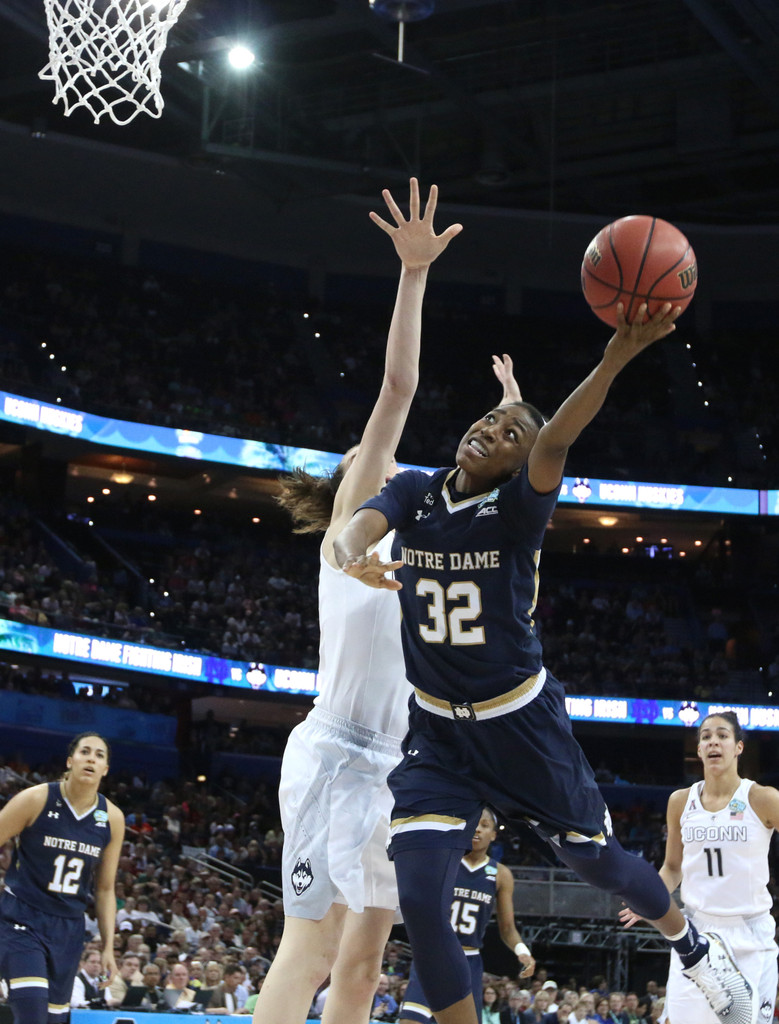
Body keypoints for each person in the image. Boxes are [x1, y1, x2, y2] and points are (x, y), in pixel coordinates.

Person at [335, 301, 757, 1024]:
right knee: (420, 899)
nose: (489, 432)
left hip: (521, 726)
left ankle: (690, 948)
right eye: (488, 421)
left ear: (517, 464)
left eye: (507, 436)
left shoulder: (517, 510)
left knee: (598, 863)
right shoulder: (415, 492)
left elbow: (555, 437)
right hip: (437, 733)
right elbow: (355, 528)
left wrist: (614, 358)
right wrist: (353, 559)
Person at [251, 178, 462, 1024]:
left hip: (397, 767)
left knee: (368, 957)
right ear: (351, 483)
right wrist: (413, 276)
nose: (379, 457)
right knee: (310, 944)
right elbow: (397, 390)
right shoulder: (351, 534)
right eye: (365, 456)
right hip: (333, 752)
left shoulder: (424, 548)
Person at [620, 711, 779, 1024]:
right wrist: (649, 898)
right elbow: (672, 868)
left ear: (738, 747)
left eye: (722, 735)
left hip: (749, 932)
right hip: (695, 933)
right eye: (706, 736)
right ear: (699, 749)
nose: (713, 741)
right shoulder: (680, 801)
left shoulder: (762, 798)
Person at [0, 731, 124, 1024]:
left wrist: (108, 947)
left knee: (55, 1020)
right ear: (70, 761)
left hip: (68, 928)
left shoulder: (112, 818)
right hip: (22, 919)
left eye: (99, 755)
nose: (91, 758)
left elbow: (105, 889)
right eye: (84, 752)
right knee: (32, 1014)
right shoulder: (36, 799)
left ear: (105, 769)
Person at [399, 808, 534, 1024]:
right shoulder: (444, 860)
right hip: (435, 953)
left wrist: (522, 951)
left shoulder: (501, 874)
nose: (478, 829)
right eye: (474, 823)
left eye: (485, 825)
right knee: (411, 1021)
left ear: (493, 834)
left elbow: (507, 928)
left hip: (468, 960)